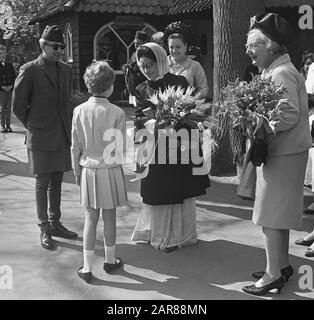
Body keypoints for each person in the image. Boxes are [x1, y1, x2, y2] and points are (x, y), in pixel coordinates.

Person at [241, 13, 312, 296]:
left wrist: (255, 120)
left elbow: (288, 114)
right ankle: (281, 266)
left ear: (270, 45)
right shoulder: (279, 69)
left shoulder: (280, 72)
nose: (249, 51)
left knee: (270, 216)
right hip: (286, 153)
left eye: (253, 46)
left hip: (283, 154)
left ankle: (273, 275)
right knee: (276, 215)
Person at [131, 42, 210, 252]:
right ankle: (158, 233)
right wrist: (153, 124)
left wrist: (175, 124)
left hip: (178, 145)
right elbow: (138, 116)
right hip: (155, 147)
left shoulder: (178, 81)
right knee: (158, 191)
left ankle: (179, 235)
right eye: (142, 66)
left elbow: (190, 109)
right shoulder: (140, 88)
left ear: (160, 62)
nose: (146, 70)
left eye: (150, 65)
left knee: (177, 189)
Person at [12, 25, 78, 250]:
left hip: (60, 132)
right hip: (40, 134)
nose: (60, 50)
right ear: (43, 45)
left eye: (62, 46)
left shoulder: (66, 70)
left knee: (57, 179)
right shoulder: (29, 70)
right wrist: (33, 126)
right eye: (55, 46)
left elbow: (66, 101)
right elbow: (18, 106)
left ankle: (55, 222)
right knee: (42, 182)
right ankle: (44, 227)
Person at [71, 61, 127, 283]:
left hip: (88, 169)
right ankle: (110, 260)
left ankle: (86, 267)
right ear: (110, 87)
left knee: (90, 218)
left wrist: (77, 170)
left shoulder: (78, 110)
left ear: (88, 85)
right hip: (110, 169)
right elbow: (120, 148)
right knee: (110, 217)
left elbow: (75, 146)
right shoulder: (117, 112)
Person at [164, 21, 209, 101]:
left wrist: (192, 101)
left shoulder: (195, 66)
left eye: (178, 47)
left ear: (185, 46)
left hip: (187, 109)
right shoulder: (163, 64)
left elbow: (203, 89)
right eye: (171, 47)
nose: (174, 50)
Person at [123, 31, 149, 107]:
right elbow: (131, 66)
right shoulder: (134, 54)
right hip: (133, 85)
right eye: (135, 43)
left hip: (143, 85)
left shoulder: (148, 54)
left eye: (138, 43)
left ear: (144, 43)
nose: (136, 45)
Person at [0, 43, 16, 133]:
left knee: (9, 108)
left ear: (5, 54)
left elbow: (14, 77)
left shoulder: (9, 65)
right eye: (0, 53)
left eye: (3, 53)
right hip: (1, 90)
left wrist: (11, 86)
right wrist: (2, 86)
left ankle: (8, 126)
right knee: (2, 108)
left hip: (9, 89)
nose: (1, 55)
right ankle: (2, 126)